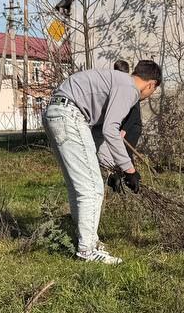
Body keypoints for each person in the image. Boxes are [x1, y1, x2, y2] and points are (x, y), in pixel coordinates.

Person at [43, 59, 161, 264]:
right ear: (151, 84)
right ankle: (87, 250)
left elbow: (99, 134)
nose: (149, 94)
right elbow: (110, 130)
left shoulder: (117, 82)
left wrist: (114, 168)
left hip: (57, 112)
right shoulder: (129, 88)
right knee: (92, 188)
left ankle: (86, 240)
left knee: (78, 186)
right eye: (153, 91)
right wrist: (129, 170)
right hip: (70, 114)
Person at [105, 59, 143, 194]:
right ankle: (120, 183)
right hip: (121, 127)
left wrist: (124, 130)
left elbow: (135, 114)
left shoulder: (129, 87)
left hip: (132, 126)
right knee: (118, 154)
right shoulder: (117, 84)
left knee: (125, 154)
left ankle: (133, 183)